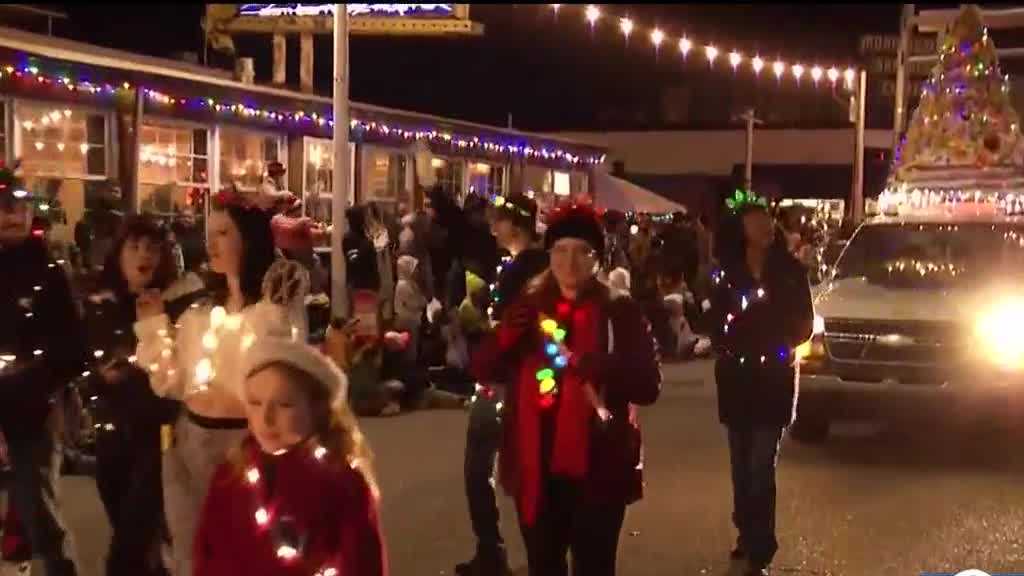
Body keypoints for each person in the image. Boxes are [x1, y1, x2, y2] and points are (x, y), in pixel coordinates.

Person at [472, 204, 661, 576]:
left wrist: (603, 366)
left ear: (597, 258)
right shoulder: (529, 306)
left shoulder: (619, 311)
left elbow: (648, 385)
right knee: (544, 565)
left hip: (599, 466)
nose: (569, 261)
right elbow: (482, 369)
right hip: (536, 465)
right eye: (560, 250)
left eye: (582, 251)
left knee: (594, 565)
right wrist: (506, 338)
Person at [135, 187, 308, 576]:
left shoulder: (271, 309)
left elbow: (280, 363)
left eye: (224, 233)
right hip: (187, 446)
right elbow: (168, 382)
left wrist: (281, 291)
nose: (212, 243)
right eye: (209, 232)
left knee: (246, 556)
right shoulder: (199, 314)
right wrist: (152, 326)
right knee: (191, 555)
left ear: (250, 239)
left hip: (243, 450)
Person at [194, 338, 386, 576]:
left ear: (317, 408)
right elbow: (206, 553)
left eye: (284, 404)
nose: (266, 418)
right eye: (255, 403)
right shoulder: (231, 475)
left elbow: (363, 564)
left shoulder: (342, 482)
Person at [82, 216, 201, 576]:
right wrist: (98, 378)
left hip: (160, 436)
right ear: (118, 254)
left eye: (153, 247)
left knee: (129, 546)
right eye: (134, 246)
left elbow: (181, 369)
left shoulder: (180, 303)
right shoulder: (101, 302)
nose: (143, 255)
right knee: (132, 531)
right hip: (112, 436)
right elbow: (84, 360)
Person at [707, 194, 814, 576]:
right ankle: (745, 532)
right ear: (741, 230)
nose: (765, 227)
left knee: (760, 463)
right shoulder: (728, 272)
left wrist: (783, 340)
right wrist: (724, 339)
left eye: (767, 220)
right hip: (736, 377)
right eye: (755, 221)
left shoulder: (789, 270)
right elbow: (713, 317)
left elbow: (805, 320)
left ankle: (761, 543)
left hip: (774, 376)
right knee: (740, 462)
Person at [455, 194, 548, 576]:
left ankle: (495, 549)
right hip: (508, 378)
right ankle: (512, 550)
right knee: (512, 470)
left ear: (518, 224)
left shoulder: (525, 270)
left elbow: (514, 327)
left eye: (500, 221)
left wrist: (482, 321)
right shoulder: (518, 266)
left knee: (483, 469)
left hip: (504, 382)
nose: (493, 228)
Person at [0, 164, 82, 576]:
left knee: (40, 513)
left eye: (16, 206)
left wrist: (39, 380)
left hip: (33, 412)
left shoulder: (49, 272)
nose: (10, 216)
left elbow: (72, 345)